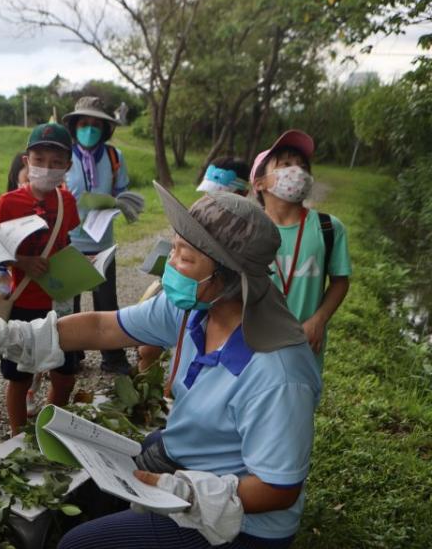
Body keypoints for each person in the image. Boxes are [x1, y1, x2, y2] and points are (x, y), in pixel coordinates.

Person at [0, 184, 321, 549]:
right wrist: (17, 334)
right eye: (173, 248)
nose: (171, 263)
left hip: (244, 523)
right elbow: (101, 327)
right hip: (190, 457)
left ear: (228, 279)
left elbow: (278, 489)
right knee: (97, 477)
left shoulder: (277, 373)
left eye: (185, 257)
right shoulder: (193, 310)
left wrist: (182, 490)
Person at [0, 123, 81, 435]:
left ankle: (50, 429)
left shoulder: (67, 201)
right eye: (39, 160)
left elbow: (64, 242)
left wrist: (80, 264)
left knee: (65, 373)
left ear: (67, 166)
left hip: (60, 300)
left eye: (56, 163)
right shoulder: (7, 203)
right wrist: (22, 262)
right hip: (24, 302)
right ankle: (18, 436)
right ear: (26, 160)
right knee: (19, 376)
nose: (47, 168)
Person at [137, 157, 252, 372]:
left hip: (211, 303)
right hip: (187, 291)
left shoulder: (250, 232)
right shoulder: (200, 213)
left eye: (221, 195)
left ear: (243, 195)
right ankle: (148, 390)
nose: (211, 200)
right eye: (208, 194)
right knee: (147, 348)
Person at [251, 130, 351, 368]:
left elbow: (340, 281)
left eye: (303, 166)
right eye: (285, 164)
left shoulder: (328, 228)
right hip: (254, 344)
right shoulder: (248, 229)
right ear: (259, 183)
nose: (297, 171)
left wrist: (319, 320)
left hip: (305, 346)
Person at [62, 96, 132, 374]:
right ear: (75, 125)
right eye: (84, 123)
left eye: (95, 124)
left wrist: (118, 203)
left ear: (105, 128)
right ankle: (73, 354)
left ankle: (113, 357)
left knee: (106, 301)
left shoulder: (115, 157)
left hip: (103, 240)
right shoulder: (65, 155)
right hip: (69, 241)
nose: (90, 129)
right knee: (72, 302)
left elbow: (122, 189)